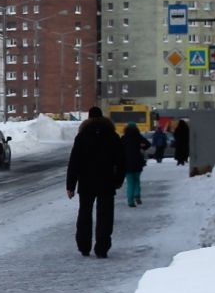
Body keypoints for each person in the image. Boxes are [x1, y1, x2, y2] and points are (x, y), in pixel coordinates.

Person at [65, 106, 124, 258]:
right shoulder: (112, 136)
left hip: (86, 182)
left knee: (84, 213)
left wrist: (70, 186)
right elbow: (121, 161)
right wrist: (118, 180)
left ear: (89, 118)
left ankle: (84, 246)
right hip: (106, 181)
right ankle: (102, 248)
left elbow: (74, 162)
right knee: (105, 215)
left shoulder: (82, 136)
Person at [120, 122, 152, 207]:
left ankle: (130, 201)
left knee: (130, 182)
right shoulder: (138, 137)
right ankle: (137, 194)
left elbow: (118, 149)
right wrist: (141, 147)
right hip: (138, 162)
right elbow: (148, 144)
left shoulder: (123, 138)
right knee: (137, 180)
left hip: (126, 163)